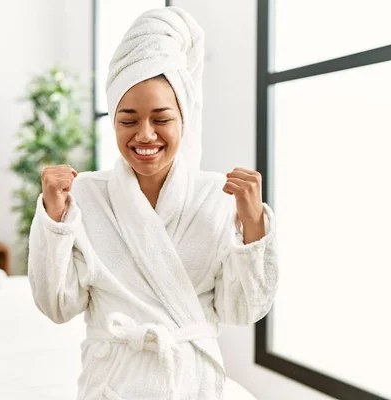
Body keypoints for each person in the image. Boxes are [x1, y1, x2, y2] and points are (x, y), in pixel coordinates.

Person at [28, 6, 278, 400]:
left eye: (161, 118)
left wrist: (253, 227)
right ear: (113, 124)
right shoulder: (86, 195)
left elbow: (240, 311)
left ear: (184, 121)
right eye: (128, 120)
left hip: (191, 384)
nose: (145, 135)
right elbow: (58, 305)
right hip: (112, 385)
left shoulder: (217, 196)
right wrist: (54, 221)